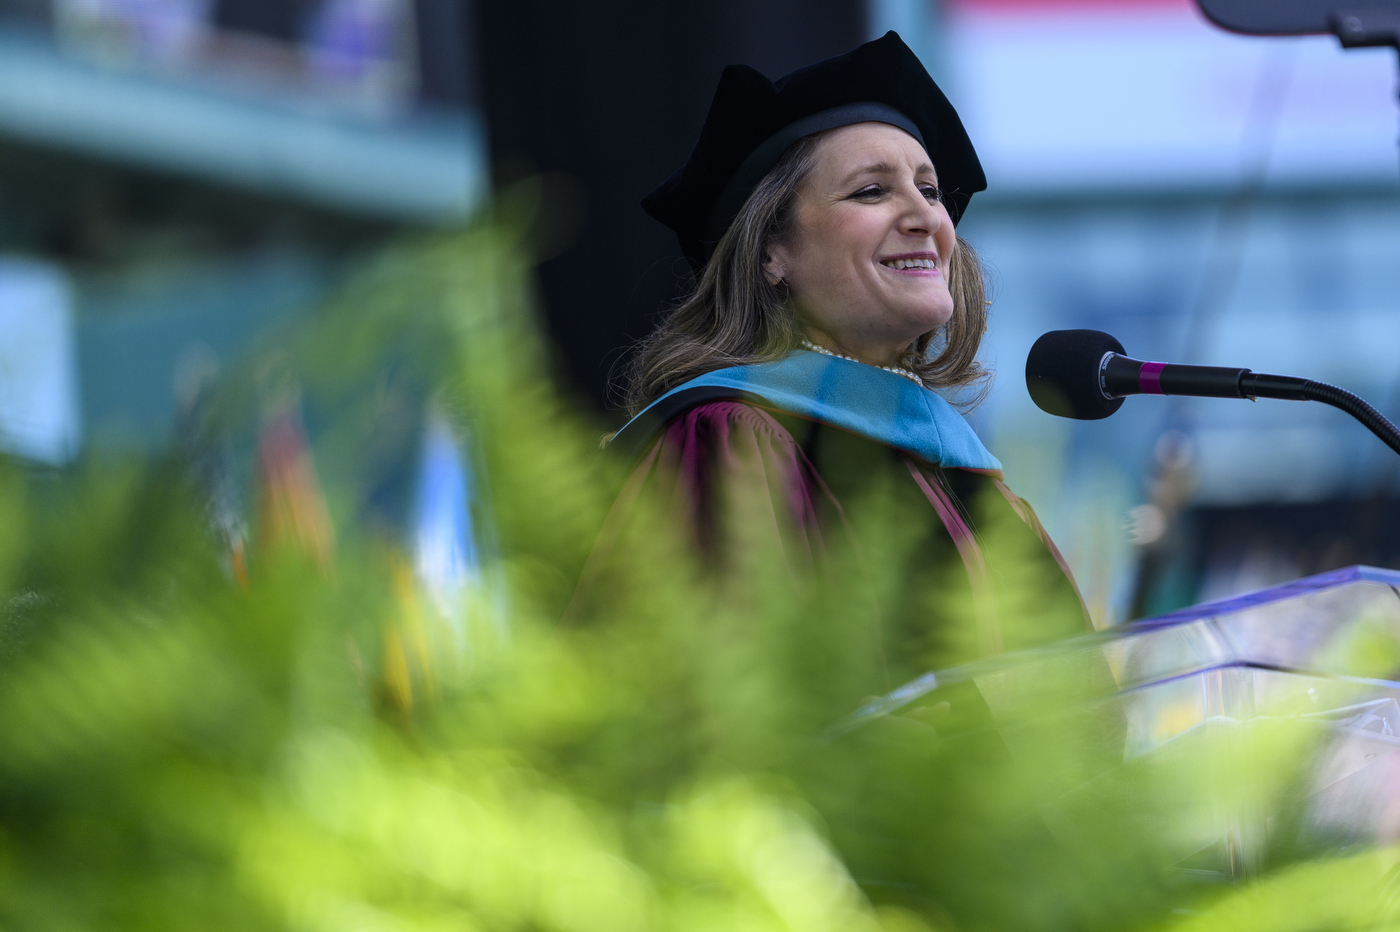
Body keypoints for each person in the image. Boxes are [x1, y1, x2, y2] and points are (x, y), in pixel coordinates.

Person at [577, 32, 1091, 691]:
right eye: (872, 191)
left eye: (930, 190)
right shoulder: (732, 442)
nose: (924, 216)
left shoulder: (964, 473)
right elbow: (735, 716)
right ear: (771, 252)